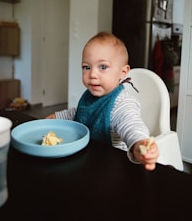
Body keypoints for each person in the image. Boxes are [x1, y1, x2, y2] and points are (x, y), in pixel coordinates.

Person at [46, 31, 159, 170]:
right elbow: (81, 112)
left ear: (123, 72)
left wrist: (139, 144)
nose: (92, 74)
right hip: (89, 161)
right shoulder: (91, 94)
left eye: (103, 67)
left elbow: (131, 125)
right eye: (86, 67)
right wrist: (58, 117)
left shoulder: (122, 103)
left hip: (113, 166)